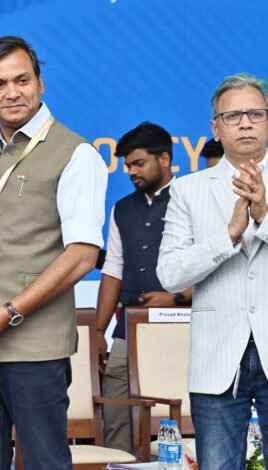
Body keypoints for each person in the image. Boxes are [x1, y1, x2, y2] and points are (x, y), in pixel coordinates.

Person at [0, 36, 107, 469]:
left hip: (34, 346)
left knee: (44, 463)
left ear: (40, 83)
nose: (11, 93)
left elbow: (82, 255)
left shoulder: (76, 154)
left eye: (22, 80)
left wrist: (8, 312)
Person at [157, 73, 268, 468]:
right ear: (216, 128)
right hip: (217, 356)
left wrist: (263, 217)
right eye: (233, 116)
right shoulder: (188, 190)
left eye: (255, 114)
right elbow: (170, 274)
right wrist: (228, 236)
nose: (245, 123)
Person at [95, 122, 191, 453]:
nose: (132, 172)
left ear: (164, 159)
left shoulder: (191, 199)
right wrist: (99, 331)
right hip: (128, 328)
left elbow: (216, 265)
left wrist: (176, 298)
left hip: (185, 325)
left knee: (184, 410)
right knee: (116, 406)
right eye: (128, 166)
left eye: (138, 163)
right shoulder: (122, 209)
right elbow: (112, 271)